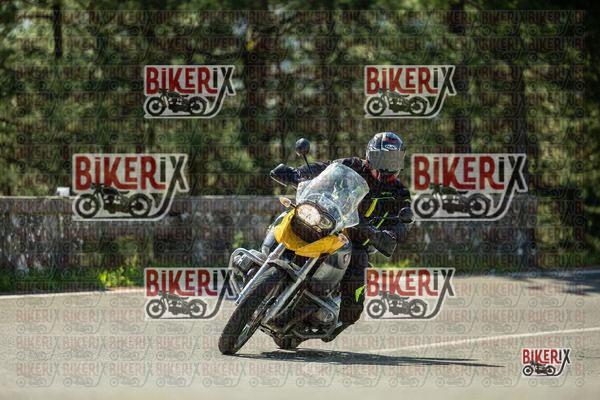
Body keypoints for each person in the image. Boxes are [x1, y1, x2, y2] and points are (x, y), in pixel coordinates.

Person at [270, 132, 414, 341]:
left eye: (391, 160)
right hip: (329, 222)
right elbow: (325, 169)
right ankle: (265, 261)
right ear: (370, 155)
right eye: (381, 158)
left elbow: (404, 222)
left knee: (354, 299)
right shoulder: (352, 165)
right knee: (289, 215)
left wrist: (389, 235)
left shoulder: (399, 191)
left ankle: (335, 319)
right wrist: (297, 173)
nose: (386, 166)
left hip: (358, 240)